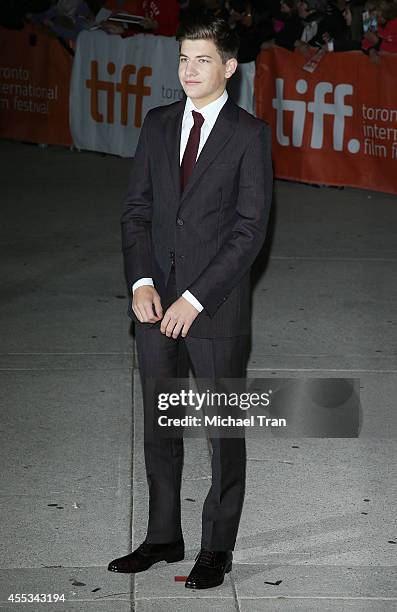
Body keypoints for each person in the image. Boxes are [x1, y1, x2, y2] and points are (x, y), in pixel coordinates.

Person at [107, 15, 273, 590]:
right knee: (161, 424)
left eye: (202, 60)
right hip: (154, 308)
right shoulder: (156, 124)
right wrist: (142, 283)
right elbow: (137, 213)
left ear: (229, 68)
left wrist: (196, 298)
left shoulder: (249, 135)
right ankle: (162, 535)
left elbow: (249, 231)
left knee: (223, 434)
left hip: (215, 311)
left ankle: (216, 547)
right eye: (182, 59)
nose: (188, 70)